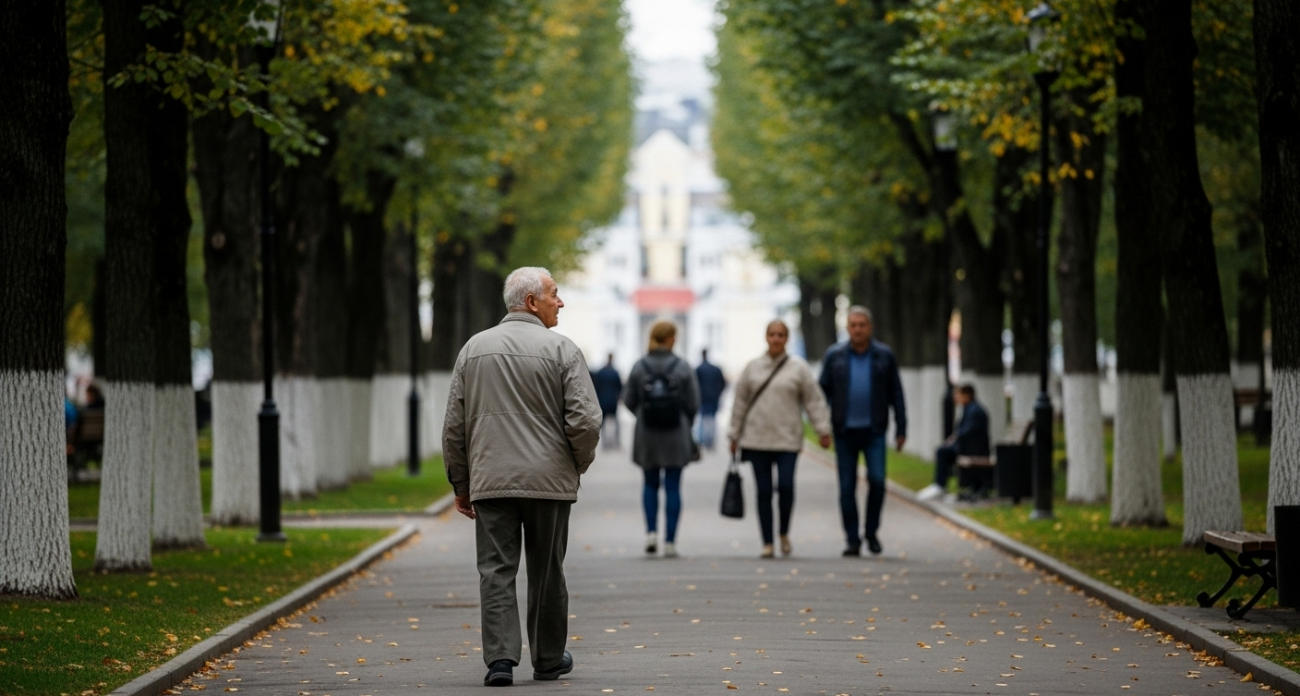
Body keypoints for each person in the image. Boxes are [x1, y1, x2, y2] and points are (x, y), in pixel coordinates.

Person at [443, 266, 602, 687]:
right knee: (547, 569)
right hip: (549, 484)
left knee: (495, 570)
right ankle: (548, 659)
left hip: (491, 481)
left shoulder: (473, 350)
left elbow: (455, 426)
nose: (560, 301)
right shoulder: (563, 351)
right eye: (554, 293)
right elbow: (585, 421)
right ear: (532, 302)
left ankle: (499, 661)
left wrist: (462, 484)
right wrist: (575, 465)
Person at [729, 320, 832, 558]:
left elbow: (813, 400)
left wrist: (822, 430)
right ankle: (767, 541)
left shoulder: (798, 368)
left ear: (787, 339)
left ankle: (783, 532)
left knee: (785, 487)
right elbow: (740, 403)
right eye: (772, 334)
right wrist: (734, 434)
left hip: (787, 439)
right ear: (766, 337)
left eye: (781, 335)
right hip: (757, 440)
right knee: (763, 491)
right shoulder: (752, 368)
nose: (776, 339)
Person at [819, 305, 907, 557]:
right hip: (844, 432)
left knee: (877, 482)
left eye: (862, 325)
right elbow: (821, 393)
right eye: (853, 325)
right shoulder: (834, 356)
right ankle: (852, 539)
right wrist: (822, 427)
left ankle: (870, 531)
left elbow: (896, 394)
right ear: (847, 328)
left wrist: (902, 428)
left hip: (875, 431)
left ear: (870, 327)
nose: (857, 329)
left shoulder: (884, 356)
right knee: (846, 487)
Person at [622, 320, 699, 559]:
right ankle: (670, 542)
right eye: (673, 337)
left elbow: (628, 400)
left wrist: (644, 415)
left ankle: (651, 533)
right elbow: (694, 403)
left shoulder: (639, 366)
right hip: (676, 432)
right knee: (674, 485)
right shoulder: (683, 366)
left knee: (650, 483)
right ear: (668, 339)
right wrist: (684, 421)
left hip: (648, 434)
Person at [918, 383, 990, 502]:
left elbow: (969, 431)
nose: (955, 397)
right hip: (968, 448)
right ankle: (940, 485)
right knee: (943, 450)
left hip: (974, 450)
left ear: (967, 395)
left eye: (958, 394)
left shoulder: (974, 411)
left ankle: (940, 485)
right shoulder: (970, 409)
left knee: (943, 451)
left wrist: (955, 439)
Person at [695, 349, 727, 449]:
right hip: (713, 397)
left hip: (703, 397)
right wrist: (718, 393)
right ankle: (710, 441)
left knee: (703, 419)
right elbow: (723, 383)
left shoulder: (699, 369)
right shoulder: (715, 369)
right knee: (712, 420)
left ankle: (703, 440)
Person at [592, 353, 624, 449]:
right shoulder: (615, 372)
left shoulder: (601, 372)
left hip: (602, 400)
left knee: (603, 422)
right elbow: (620, 387)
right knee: (616, 422)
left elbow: (596, 387)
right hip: (613, 401)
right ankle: (616, 441)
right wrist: (619, 398)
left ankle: (605, 443)